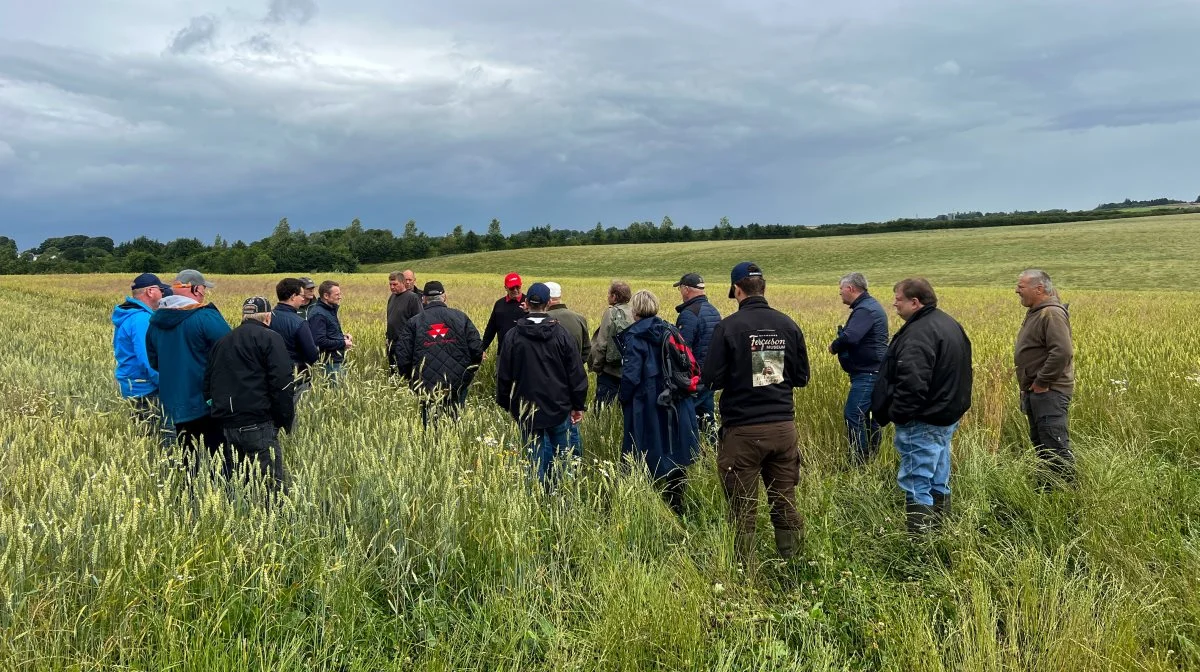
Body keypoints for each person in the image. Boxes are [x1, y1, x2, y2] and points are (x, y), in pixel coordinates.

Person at [701, 262, 810, 564]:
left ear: (737, 290)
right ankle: (794, 566)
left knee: (742, 507)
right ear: (764, 286)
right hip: (783, 429)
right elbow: (802, 378)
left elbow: (710, 379)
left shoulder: (729, 327)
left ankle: (744, 576)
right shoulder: (788, 324)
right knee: (784, 500)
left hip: (743, 432)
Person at [871, 278, 973, 534]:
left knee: (917, 482)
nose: (894, 303)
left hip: (922, 420)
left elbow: (912, 384)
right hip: (945, 416)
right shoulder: (948, 323)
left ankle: (921, 548)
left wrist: (899, 415)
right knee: (939, 477)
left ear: (915, 302)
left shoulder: (919, 333)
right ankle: (943, 532)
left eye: (898, 299)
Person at [496, 282, 588, 489]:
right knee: (563, 460)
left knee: (533, 460)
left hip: (527, 408)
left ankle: (535, 500)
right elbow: (576, 374)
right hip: (559, 406)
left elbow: (503, 374)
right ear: (548, 304)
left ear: (526, 303)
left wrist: (507, 404)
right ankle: (562, 498)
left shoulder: (513, 335)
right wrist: (577, 405)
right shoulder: (561, 334)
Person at [203, 297, 296, 502]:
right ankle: (275, 526)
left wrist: (218, 412)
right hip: (258, 422)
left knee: (241, 482)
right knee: (270, 486)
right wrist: (284, 419)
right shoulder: (270, 338)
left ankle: (244, 520)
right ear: (268, 317)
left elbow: (208, 383)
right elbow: (282, 383)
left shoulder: (223, 341)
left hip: (227, 424)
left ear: (244, 316)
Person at [618, 289, 701, 515]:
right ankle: (676, 502)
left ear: (634, 310)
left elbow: (631, 376)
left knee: (645, 449)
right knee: (676, 448)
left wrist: (623, 398)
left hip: (647, 404)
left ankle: (647, 504)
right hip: (676, 399)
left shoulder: (635, 337)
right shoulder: (669, 329)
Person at [146, 269, 234, 479]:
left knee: (189, 461)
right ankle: (221, 502)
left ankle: (192, 502)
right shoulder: (205, 317)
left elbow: (154, 362)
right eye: (203, 289)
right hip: (207, 403)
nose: (204, 294)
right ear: (194, 289)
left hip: (174, 404)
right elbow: (230, 352)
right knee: (220, 461)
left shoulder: (156, 321)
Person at [1014, 268, 1075, 488]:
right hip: (1037, 391)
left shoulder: (1051, 313)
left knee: (1055, 445)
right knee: (1042, 445)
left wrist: (1042, 382)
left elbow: (1062, 352)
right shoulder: (1038, 311)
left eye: (1021, 287)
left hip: (1049, 392)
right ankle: (1049, 489)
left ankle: (1068, 492)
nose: (1016, 291)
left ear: (1038, 288)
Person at [393, 281, 484, 426]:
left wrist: (413, 382)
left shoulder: (414, 323)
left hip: (425, 386)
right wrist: (466, 377)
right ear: (445, 297)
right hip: (457, 385)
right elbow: (477, 351)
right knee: (455, 428)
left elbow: (402, 357)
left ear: (423, 299)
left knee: (430, 429)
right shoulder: (461, 317)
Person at [828, 272, 889, 465]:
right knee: (871, 418)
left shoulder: (865, 310)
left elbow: (851, 337)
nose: (840, 294)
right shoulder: (869, 306)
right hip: (875, 371)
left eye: (841, 289)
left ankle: (858, 461)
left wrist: (834, 346)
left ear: (851, 289)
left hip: (868, 373)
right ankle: (872, 459)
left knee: (853, 414)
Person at [111, 272, 175, 447]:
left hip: (135, 388)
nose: (163, 294)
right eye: (161, 290)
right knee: (162, 441)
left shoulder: (130, 315)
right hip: (147, 390)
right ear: (151, 292)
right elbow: (148, 359)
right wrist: (168, 386)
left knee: (147, 443)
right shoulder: (141, 319)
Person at [545, 281, 590, 455]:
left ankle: (553, 470)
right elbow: (587, 349)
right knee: (573, 426)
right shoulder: (579, 318)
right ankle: (575, 463)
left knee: (551, 433)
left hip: (551, 384)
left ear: (547, 299)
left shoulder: (543, 321)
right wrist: (577, 366)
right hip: (575, 381)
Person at [673, 272, 721, 433]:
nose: (680, 292)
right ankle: (711, 450)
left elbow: (682, 350)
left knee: (686, 419)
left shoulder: (689, 314)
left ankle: (689, 453)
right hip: (711, 376)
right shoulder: (713, 311)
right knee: (707, 419)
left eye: (680, 288)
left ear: (686, 289)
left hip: (694, 378)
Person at [269, 278, 319, 402]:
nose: (303, 299)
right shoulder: (299, 323)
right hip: (296, 377)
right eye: (301, 295)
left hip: (271, 376)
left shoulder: (267, 318)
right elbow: (312, 355)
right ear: (292, 296)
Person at [588, 280, 633, 408]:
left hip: (609, 370)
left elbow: (602, 344)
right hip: (628, 368)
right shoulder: (634, 312)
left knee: (603, 407)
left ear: (614, 296)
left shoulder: (611, 312)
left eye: (609, 294)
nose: (607, 296)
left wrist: (597, 367)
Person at [307, 280, 352, 383]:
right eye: (337, 294)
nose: (340, 297)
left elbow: (328, 333)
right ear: (326, 296)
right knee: (336, 395)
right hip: (329, 363)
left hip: (336, 360)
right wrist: (343, 343)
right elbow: (319, 341)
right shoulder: (319, 314)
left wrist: (343, 337)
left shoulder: (329, 310)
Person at [386, 270, 423, 372]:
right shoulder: (392, 297)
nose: (392, 287)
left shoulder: (413, 298)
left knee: (404, 373)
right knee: (393, 372)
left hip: (405, 344)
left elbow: (419, 321)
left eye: (395, 284)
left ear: (403, 283)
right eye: (390, 284)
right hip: (391, 343)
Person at [481, 272, 526, 354]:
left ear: (521, 285)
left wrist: (528, 311)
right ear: (506, 288)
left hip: (524, 354)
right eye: (512, 288)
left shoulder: (528, 303)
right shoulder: (499, 304)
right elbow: (491, 328)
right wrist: (482, 349)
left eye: (518, 287)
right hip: (503, 352)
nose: (515, 290)